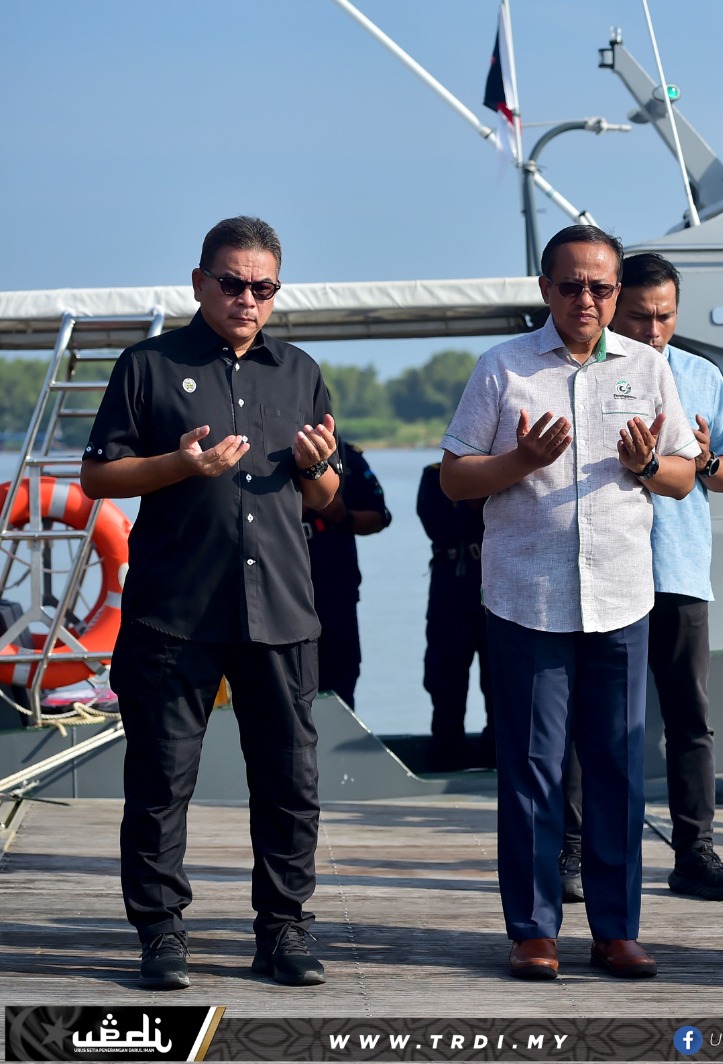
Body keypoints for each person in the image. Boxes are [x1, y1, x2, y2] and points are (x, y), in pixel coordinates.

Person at [81, 215, 339, 990]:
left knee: (290, 783)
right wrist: (178, 465)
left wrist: (318, 466)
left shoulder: (299, 371)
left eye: (263, 287)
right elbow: (97, 477)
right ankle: (161, 932)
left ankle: (284, 928)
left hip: (280, 611)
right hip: (175, 614)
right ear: (199, 283)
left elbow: (326, 495)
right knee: (161, 784)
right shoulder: (148, 365)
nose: (246, 299)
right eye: (232, 283)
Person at [439, 224, 698, 981]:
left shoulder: (648, 367)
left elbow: (684, 475)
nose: (587, 300)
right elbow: (454, 477)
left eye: (601, 287)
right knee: (532, 767)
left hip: (621, 595)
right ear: (545, 288)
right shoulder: (503, 368)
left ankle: (617, 930)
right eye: (572, 285)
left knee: (618, 767)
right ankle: (533, 929)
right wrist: (521, 460)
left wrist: (647, 464)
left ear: (617, 292)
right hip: (529, 597)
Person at [559, 252, 723, 902]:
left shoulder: (701, 375)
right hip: (605, 571)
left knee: (689, 717)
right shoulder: (585, 372)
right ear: (616, 308)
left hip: (677, 569)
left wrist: (705, 458)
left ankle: (695, 852)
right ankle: (575, 852)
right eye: (641, 316)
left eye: (665, 316)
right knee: (591, 720)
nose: (654, 330)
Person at [416, 461, 494, 771]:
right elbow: (440, 527)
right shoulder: (434, 475)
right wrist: (475, 491)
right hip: (449, 591)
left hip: (495, 587)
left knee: (499, 679)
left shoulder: (506, 473)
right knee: (444, 678)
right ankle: (446, 754)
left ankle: (497, 751)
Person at [303, 437, 391, 709]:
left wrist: (342, 515)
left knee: (340, 682)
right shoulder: (263, 454)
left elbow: (379, 516)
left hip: (336, 591)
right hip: (278, 593)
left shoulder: (346, 457)